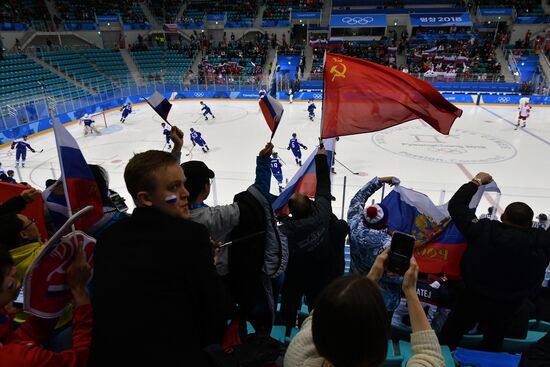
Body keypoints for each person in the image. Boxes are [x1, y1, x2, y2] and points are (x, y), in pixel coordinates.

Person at [90, 149, 230, 366]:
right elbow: (215, 317)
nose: (185, 193)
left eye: (183, 184)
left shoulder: (109, 238)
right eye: (174, 187)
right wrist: (208, 265)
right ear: (145, 199)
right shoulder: (191, 237)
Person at [440, 172, 550, 351]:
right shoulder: (541, 242)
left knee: (449, 338)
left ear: (503, 216)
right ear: (531, 223)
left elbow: (457, 206)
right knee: (493, 343)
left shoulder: (483, 230)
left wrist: (476, 182)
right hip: (510, 304)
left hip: (471, 297)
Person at [284, 251, 445, 367]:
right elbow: (430, 356)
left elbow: (320, 318)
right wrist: (410, 290)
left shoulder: (296, 358)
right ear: (381, 343)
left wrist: (370, 279)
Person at [278, 145, 341, 336]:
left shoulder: (286, 231)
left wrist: (282, 219)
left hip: (296, 275)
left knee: (289, 304)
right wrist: (321, 159)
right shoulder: (322, 211)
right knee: (316, 307)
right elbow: (323, 184)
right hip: (320, 272)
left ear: (291, 212)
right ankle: (315, 336)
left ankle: (285, 334)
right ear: (309, 203)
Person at [0, 244, 93, 367]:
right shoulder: (20, 360)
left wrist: (53, 296)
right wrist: (79, 291)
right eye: (8, 274)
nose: (14, 271)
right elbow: (81, 359)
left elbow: (15, 339)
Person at [347, 176, 402, 315]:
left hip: (355, 290)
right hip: (381, 301)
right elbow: (398, 278)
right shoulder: (389, 245)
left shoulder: (355, 226)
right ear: (385, 222)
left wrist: (379, 181)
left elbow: (357, 199)